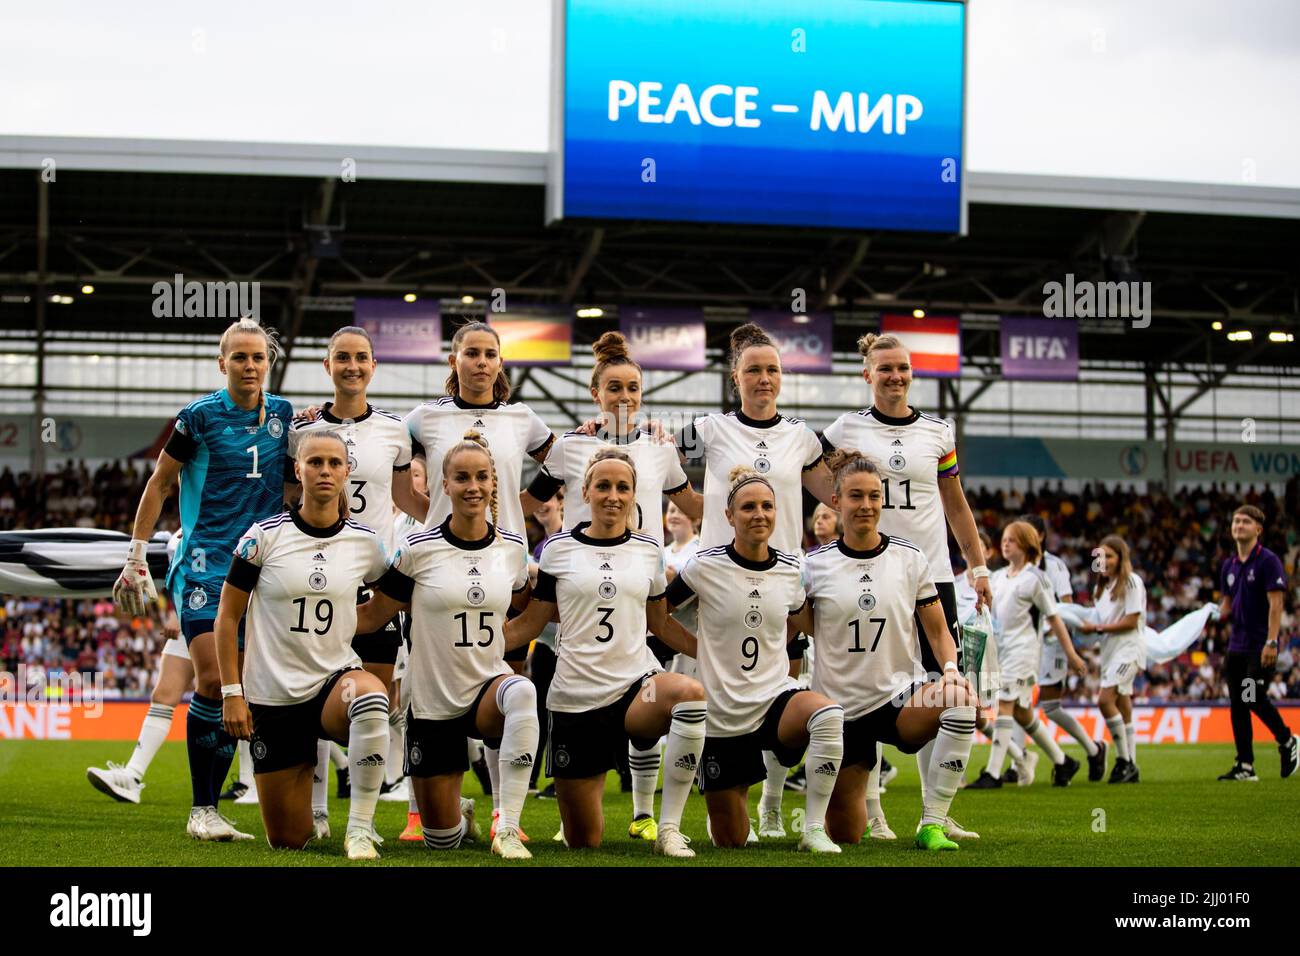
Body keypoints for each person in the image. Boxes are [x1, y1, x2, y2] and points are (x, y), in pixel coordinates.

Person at [113, 318, 293, 841]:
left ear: (268, 362)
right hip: (203, 566)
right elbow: (161, 482)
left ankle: (231, 806)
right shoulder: (199, 416)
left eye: (258, 357)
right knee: (214, 681)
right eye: (240, 357)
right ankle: (202, 809)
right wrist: (135, 556)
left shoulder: (283, 415)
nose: (250, 365)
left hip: (261, 572)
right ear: (223, 363)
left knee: (248, 689)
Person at [523, 331, 703, 841]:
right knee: (579, 681)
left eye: (633, 389)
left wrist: (760, 505)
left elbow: (697, 509)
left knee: (645, 689)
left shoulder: (660, 450)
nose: (624, 397)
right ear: (596, 394)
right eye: (614, 389)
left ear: (642, 395)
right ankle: (573, 795)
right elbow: (525, 503)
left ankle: (649, 816)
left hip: (639, 585)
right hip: (579, 588)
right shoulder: (571, 447)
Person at [821, 332, 989, 840]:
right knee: (868, 686)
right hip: (866, 576)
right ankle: (873, 815)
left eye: (903, 368)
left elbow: (955, 503)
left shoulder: (938, 431)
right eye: (885, 368)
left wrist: (977, 567)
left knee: (950, 689)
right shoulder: (844, 429)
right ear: (866, 374)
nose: (895, 376)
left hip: (933, 575)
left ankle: (933, 813)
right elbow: (821, 485)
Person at [505, 447, 707, 858]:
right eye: (603, 486)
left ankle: (667, 829)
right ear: (585, 491)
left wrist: (710, 654)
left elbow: (661, 624)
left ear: (634, 495)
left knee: (688, 695)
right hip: (575, 698)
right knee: (584, 840)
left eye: (622, 487)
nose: (613, 495)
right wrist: (473, 648)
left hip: (636, 687)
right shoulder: (558, 550)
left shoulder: (650, 550)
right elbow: (532, 622)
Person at [677, 322, 836, 837]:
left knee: (786, 686)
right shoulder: (710, 428)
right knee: (728, 832)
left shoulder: (801, 437)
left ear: (782, 377)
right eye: (753, 371)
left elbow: (839, 494)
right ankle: (665, 810)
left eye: (772, 370)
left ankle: (774, 802)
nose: (763, 379)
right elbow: (655, 456)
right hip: (719, 587)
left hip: (782, 586)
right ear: (735, 378)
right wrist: (696, 507)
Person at [357, 431, 537, 859]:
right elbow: (372, 617)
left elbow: (522, 611)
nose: (472, 487)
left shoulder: (511, 549)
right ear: (444, 485)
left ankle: (507, 826)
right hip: (433, 703)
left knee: (523, 691)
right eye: (461, 478)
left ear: (494, 483)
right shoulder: (416, 550)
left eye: (481, 477)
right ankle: (463, 816)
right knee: (442, 840)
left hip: (487, 689)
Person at [405, 320, 555, 822]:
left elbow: (568, 463)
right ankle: (422, 810)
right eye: (472, 353)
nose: (482, 362)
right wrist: (423, 507)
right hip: (439, 568)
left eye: (490, 353)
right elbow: (380, 450)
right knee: (425, 683)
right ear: (454, 361)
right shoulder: (425, 418)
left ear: (500, 362)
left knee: (508, 679)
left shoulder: (522, 419)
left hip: (503, 567)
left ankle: (500, 813)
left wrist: (519, 504)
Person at [217, 431, 392, 860]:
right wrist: (231, 694)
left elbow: (389, 607)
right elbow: (227, 618)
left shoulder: (366, 544)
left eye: (335, 463)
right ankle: (306, 791)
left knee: (370, 697)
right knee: (289, 840)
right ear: (298, 469)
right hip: (273, 697)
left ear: (347, 471)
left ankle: (360, 830)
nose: (325, 471)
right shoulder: (262, 539)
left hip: (333, 685)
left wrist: (379, 668)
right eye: (315, 462)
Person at [789, 451, 977, 850]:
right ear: (836, 501)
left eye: (874, 496)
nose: (867, 505)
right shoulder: (814, 565)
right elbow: (803, 628)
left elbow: (938, 629)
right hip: (839, 710)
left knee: (960, 699)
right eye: (856, 496)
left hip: (897, 697)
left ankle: (933, 823)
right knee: (847, 833)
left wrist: (949, 668)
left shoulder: (909, 558)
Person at [664, 465, 844, 854]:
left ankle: (813, 829)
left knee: (827, 714)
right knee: (733, 841)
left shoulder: (790, 570)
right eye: (747, 507)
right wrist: (699, 649)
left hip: (775, 698)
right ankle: (730, 817)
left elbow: (805, 622)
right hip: (722, 712)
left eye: (767, 505)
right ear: (729, 516)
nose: (759, 514)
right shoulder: (703, 566)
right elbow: (658, 613)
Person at [291, 326, 423, 835]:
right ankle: (319, 812)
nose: (352, 366)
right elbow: (289, 503)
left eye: (361, 358)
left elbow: (407, 500)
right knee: (314, 696)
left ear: (373, 366)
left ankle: (363, 819)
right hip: (318, 580)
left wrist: (459, 527)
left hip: (376, 582)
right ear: (327, 366)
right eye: (342, 358)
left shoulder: (394, 432)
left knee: (378, 700)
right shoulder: (302, 432)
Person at [969, 520, 1086, 789]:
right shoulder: (997, 577)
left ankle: (994, 773)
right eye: (1004, 539)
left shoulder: (1036, 578)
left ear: (1026, 543)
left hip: (1024, 652)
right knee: (1021, 712)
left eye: (1011, 539)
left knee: (1006, 704)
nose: (1005, 543)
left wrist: (1071, 654)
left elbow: (1055, 618)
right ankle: (1063, 761)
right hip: (1002, 650)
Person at [88, 530, 192, 803]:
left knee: (236, 699)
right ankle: (132, 776)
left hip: (226, 618)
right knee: (164, 695)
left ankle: (250, 781)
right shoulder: (181, 530)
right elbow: (183, 574)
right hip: (193, 615)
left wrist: (182, 613)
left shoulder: (228, 512)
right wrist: (178, 611)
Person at [1020, 513, 1106, 784]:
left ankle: (1092, 749)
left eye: (1027, 535)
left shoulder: (1054, 567)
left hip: (1051, 643)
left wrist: (1067, 649)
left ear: (1041, 537)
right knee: (1015, 700)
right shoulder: (1018, 568)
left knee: (1049, 706)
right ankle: (1018, 760)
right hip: (1025, 641)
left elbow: (1066, 606)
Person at [1214, 504, 1298, 781]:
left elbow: (1277, 604)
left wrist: (1272, 642)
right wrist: (1205, 615)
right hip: (1235, 647)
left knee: (1252, 697)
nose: (1238, 525)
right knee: (1238, 704)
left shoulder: (1268, 560)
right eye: (1236, 521)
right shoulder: (1229, 565)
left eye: (1245, 522)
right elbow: (1226, 605)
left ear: (1258, 529)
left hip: (1259, 647)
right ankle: (1245, 766)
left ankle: (1287, 741)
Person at [1076, 535, 1145, 783]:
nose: (1104, 561)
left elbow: (1131, 620)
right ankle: (1131, 765)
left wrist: (1096, 629)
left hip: (1128, 649)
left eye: (1110, 556)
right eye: (1101, 556)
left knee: (1105, 701)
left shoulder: (1131, 582)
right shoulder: (1102, 589)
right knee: (1123, 703)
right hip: (1110, 652)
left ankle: (1124, 760)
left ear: (1121, 558)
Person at [525, 489, 565, 798]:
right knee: (537, 708)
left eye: (547, 500)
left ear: (561, 502)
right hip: (544, 637)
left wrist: (534, 570)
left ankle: (560, 774)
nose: (541, 506)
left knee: (560, 710)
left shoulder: (567, 542)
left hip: (567, 641)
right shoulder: (541, 545)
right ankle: (531, 778)